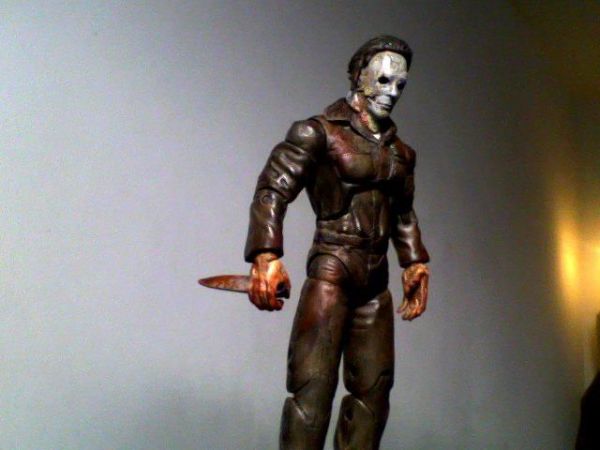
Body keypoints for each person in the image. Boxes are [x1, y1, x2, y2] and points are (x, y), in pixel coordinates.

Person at [244, 35, 431, 450]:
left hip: (375, 283)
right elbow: (272, 189)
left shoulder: (402, 153)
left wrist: (414, 262)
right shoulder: (318, 132)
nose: (392, 93)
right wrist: (266, 255)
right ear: (359, 75)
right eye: (383, 81)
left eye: (400, 85)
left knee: (374, 395)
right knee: (311, 392)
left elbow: (404, 212)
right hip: (332, 270)